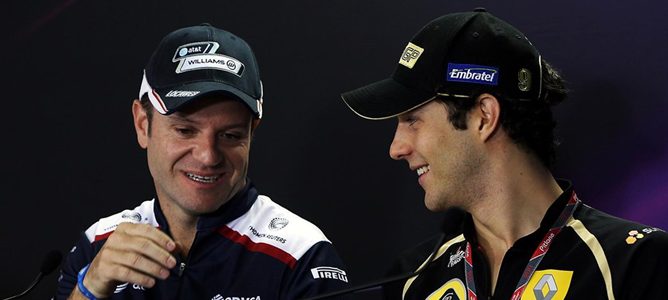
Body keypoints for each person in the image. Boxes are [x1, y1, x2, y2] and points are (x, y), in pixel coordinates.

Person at [341, 8, 668, 299]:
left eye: (412, 119)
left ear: (484, 116)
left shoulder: (634, 262)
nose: (396, 148)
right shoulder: (414, 279)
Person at [56, 24, 349, 299]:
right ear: (143, 124)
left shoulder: (300, 254)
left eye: (231, 135)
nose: (208, 156)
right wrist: (89, 290)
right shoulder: (98, 244)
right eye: (185, 131)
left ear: (251, 133)